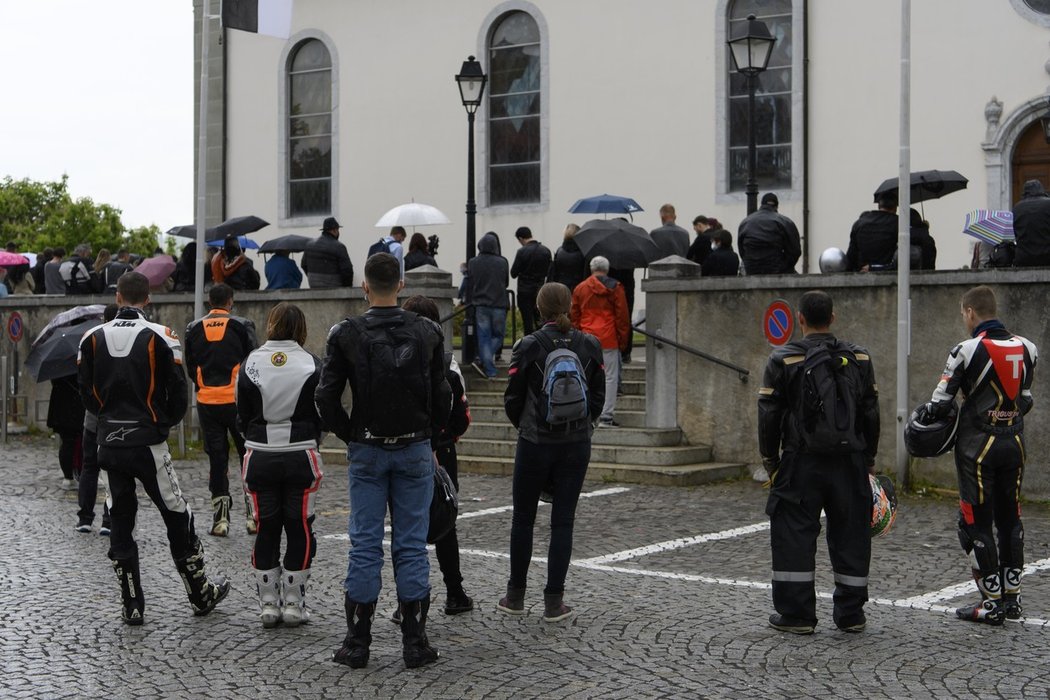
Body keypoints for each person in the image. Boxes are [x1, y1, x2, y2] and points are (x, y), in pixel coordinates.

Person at [317, 252, 451, 669]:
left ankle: (358, 643)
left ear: (364, 286)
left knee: (365, 544)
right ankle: (415, 642)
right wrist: (432, 430)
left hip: (369, 446)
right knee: (411, 545)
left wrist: (349, 432)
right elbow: (443, 392)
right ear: (401, 285)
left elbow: (325, 396)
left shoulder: (346, 333)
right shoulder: (427, 331)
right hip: (413, 444)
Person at [78, 272, 229, 625]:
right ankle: (199, 593)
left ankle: (131, 602)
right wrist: (161, 425)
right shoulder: (162, 335)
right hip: (148, 442)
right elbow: (179, 392)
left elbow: (84, 393)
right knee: (177, 512)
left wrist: (106, 421)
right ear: (148, 299)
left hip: (110, 441)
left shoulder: (90, 337)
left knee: (120, 516)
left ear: (117, 297)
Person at [757, 290, 880, 634]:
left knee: (793, 532)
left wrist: (771, 462)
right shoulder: (860, 357)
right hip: (851, 459)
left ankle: (797, 615)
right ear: (833, 318)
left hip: (801, 460)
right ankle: (851, 614)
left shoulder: (783, 359)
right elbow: (871, 411)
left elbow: (768, 415)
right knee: (852, 532)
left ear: (800, 319)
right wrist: (868, 459)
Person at [920, 285, 1037, 624]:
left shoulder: (965, 349)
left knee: (973, 524)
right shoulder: (1028, 347)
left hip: (977, 449)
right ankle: (1012, 600)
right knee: (1011, 519)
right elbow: (1025, 399)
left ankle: (991, 604)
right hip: (1014, 445)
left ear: (970, 313)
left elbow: (938, 405)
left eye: (963, 314)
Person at [500, 282, 605, 622]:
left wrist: (527, 427)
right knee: (563, 522)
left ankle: (515, 596)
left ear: (538, 308)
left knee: (523, 519)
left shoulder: (529, 345)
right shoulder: (590, 345)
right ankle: (554, 602)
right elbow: (599, 396)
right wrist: (583, 427)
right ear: (570, 306)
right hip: (575, 445)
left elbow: (513, 398)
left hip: (535, 443)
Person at [237, 302, 324, 628]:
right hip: (301, 453)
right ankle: (293, 605)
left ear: (271, 324)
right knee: (300, 527)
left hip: (259, 454)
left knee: (267, 527)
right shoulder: (312, 363)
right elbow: (323, 410)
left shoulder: (249, 362)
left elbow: (241, 415)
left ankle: (268, 605)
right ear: (301, 327)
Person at [401, 295, 474, 617]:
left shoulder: (394, 357)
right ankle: (454, 592)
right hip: (441, 449)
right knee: (445, 521)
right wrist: (445, 438)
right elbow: (462, 416)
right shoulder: (447, 363)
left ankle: (408, 601)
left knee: (406, 525)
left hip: (403, 446)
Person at [184, 283, 259, 537]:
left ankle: (221, 520)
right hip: (237, 403)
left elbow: (191, 368)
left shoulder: (193, 329)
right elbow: (253, 363)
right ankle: (253, 516)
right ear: (231, 301)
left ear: (209, 302)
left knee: (217, 460)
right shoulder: (242, 325)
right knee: (247, 457)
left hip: (207, 402)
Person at [75, 303, 119, 535]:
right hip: (115, 417)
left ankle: (84, 518)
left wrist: (93, 406)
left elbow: (82, 381)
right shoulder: (125, 343)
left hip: (93, 415)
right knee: (112, 469)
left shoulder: (90, 341)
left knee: (89, 468)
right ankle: (108, 521)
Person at [571, 256, 629, 428]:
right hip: (609, 336)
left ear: (591, 268)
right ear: (607, 269)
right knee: (610, 378)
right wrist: (623, 340)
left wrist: (577, 335)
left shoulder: (580, 288)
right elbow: (622, 317)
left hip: (587, 336)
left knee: (586, 376)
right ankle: (606, 415)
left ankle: (588, 412)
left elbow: (575, 315)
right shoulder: (615, 287)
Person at [846, 194, 937, 272]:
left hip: (862, 274)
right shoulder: (899, 224)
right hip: (889, 275)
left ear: (879, 205)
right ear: (895, 207)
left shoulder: (859, 224)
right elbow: (926, 240)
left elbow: (851, 256)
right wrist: (923, 227)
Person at [468, 231, 510, 379]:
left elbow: (471, 281)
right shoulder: (502, 261)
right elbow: (506, 283)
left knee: (483, 336)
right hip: (499, 303)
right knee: (498, 336)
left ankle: (483, 361)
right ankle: (489, 368)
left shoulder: (473, 262)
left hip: (481, 304)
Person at [737, 193, 801, 275]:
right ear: (777, 207)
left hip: (751, 268)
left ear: (761, 205)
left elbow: (742, 250)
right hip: (776, 267)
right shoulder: (784, 221)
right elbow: (795, 250)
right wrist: (784, 266)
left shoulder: (745, 222)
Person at [510, 226, 552, 335]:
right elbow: (549, 271)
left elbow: (513, 273)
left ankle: (529, 345)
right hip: (540, 290)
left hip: (524, 291)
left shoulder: (522, 251)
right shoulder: (545, 250)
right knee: (541, 320)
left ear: (520, 238)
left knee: (527, 322)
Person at [47, 375, 84, 490]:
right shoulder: (78, 364)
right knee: (75, 442)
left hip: (60, 407)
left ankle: (68, 477)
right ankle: (75, 475)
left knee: (67, 443)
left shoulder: (57, 368)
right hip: (75, 407)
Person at [302, 216, 354, 288]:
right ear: (334, 230)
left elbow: (303, 265)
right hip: (335, 287)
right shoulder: (339, 246)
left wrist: (315, 279)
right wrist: (347, 288)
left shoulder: (309, 245)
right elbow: (347, 271)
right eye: (338, 230)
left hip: (314, 286)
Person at [1011, 179, 1050, 267]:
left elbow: (1015, 234)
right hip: (1047, 257)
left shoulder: (1017, 208)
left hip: (1023, 259)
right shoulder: (1048, 204)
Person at [547, 223, 588, 293]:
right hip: (579, 287)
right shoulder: (584, 252)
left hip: (561, 288)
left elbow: (553, 273)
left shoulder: (559, 252)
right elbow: (586, 273)